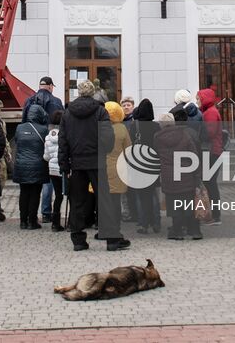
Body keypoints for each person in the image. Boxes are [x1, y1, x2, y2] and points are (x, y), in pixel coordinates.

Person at [59, 79, 128, 251]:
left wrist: (64, 164)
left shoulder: (67, 114)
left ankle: (78, 240)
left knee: (77, 201)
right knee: (105, 201)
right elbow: (107, 138)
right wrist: (104, 151)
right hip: (97, 161)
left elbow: (63, 141)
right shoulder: (100, 111)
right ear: (92, 93)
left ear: (79, 93)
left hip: (77, 162)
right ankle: (112, 239)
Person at [154, 112, 201, 240]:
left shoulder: (157, 137)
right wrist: (197, 177)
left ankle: (177, 231)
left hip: (169, 177)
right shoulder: (185, 135)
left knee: (173, 204)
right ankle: (195, 231)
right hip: (186, 174)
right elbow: (193, 155)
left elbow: (156, 155)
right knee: (189, 203)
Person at [24, 76, 65, 224]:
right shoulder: (56, 101)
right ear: (49, 86)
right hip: (53, 140)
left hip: (34, 140)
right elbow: (62, 121)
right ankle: (47, 212)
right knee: (51, 177)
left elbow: (24, 121)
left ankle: (41, 212)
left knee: (38, 179)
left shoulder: (29, 100)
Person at [13, 102, 49, 229]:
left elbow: (17, 142)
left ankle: (23, 221)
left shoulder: (19, 128)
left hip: (21, 165)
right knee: (35, 193)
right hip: (37, 165)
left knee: (24, 193)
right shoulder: (44, 130)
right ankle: (32, 221)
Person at [129, 99, 162, 234]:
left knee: (140, 196)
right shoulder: (156, 126)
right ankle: (156, 222)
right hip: (153, 162)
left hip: (139, 163)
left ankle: (143, 223)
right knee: (154, 194)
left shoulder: (134, 126)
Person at [101, 100, 132, 242]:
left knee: (103, 201)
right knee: (115, 201)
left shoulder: (100, 127)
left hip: (102, 167)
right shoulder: (122, 128)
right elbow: (128, 149)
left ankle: (103, 229)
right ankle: (115, 229)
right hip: (119, 168)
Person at [196, 87, 224, 222]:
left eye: (198, 99)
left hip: (212, 152)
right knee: (209, 183)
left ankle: (216, 215)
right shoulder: (208, 112)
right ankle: (213, 214)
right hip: (214, 151)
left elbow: (209, 133)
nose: (197, 102)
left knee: (210, 183)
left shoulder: (210, 113)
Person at [43, 110, 66, 231]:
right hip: (65, 168)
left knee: (58, 196)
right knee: (71, 195)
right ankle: (72, 222)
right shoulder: (66, 134)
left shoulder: (48, 137)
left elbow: (46, 156)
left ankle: (55, 223)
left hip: (52, 169)